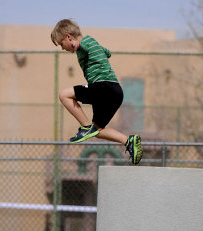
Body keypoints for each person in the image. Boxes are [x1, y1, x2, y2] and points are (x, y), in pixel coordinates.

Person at [51, 19, 142, 165]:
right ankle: (128, 141)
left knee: (64, 95)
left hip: (104, 87)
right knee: (98, 131)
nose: (63, 48)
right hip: (114, 93)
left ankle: (85, 128)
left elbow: (87, 44)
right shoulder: (92, 45)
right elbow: (107, 53)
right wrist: (99, 52)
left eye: (62, 44)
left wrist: (79, 45)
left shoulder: (86, 42)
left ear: (69, 37)